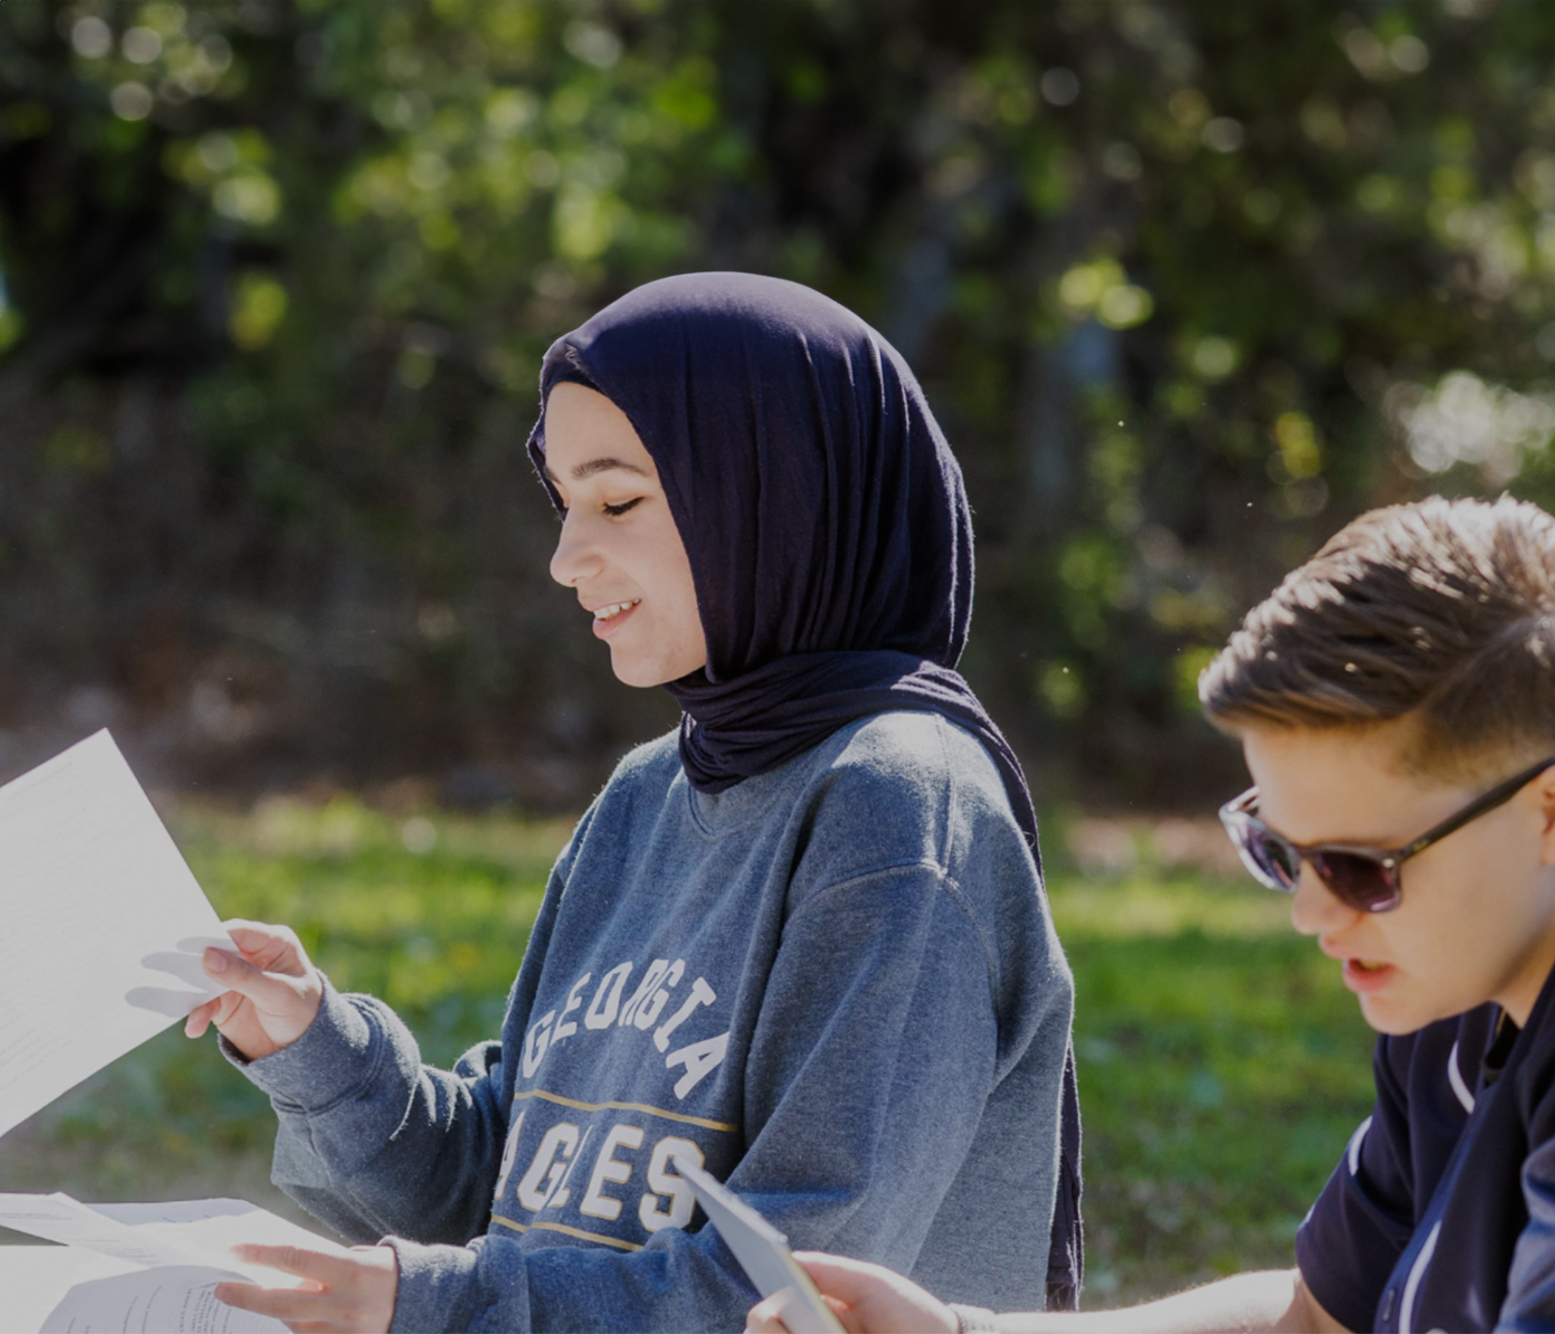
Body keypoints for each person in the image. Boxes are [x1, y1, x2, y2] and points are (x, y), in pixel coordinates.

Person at [749, 495, 1555, 1334]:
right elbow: (1317, 1316)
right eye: (1276, 846)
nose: (1310, 912)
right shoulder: (1482, 939)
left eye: (1355, 865)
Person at [182, 273, 1084, 1333]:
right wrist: (310, 1044)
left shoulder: (898, 805)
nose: (566, 557)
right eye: (561, 504)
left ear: (771, 494)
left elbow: (806, 1295)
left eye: (616, 500)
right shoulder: (645, 793)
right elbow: (501, 1188)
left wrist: (430, 1304)